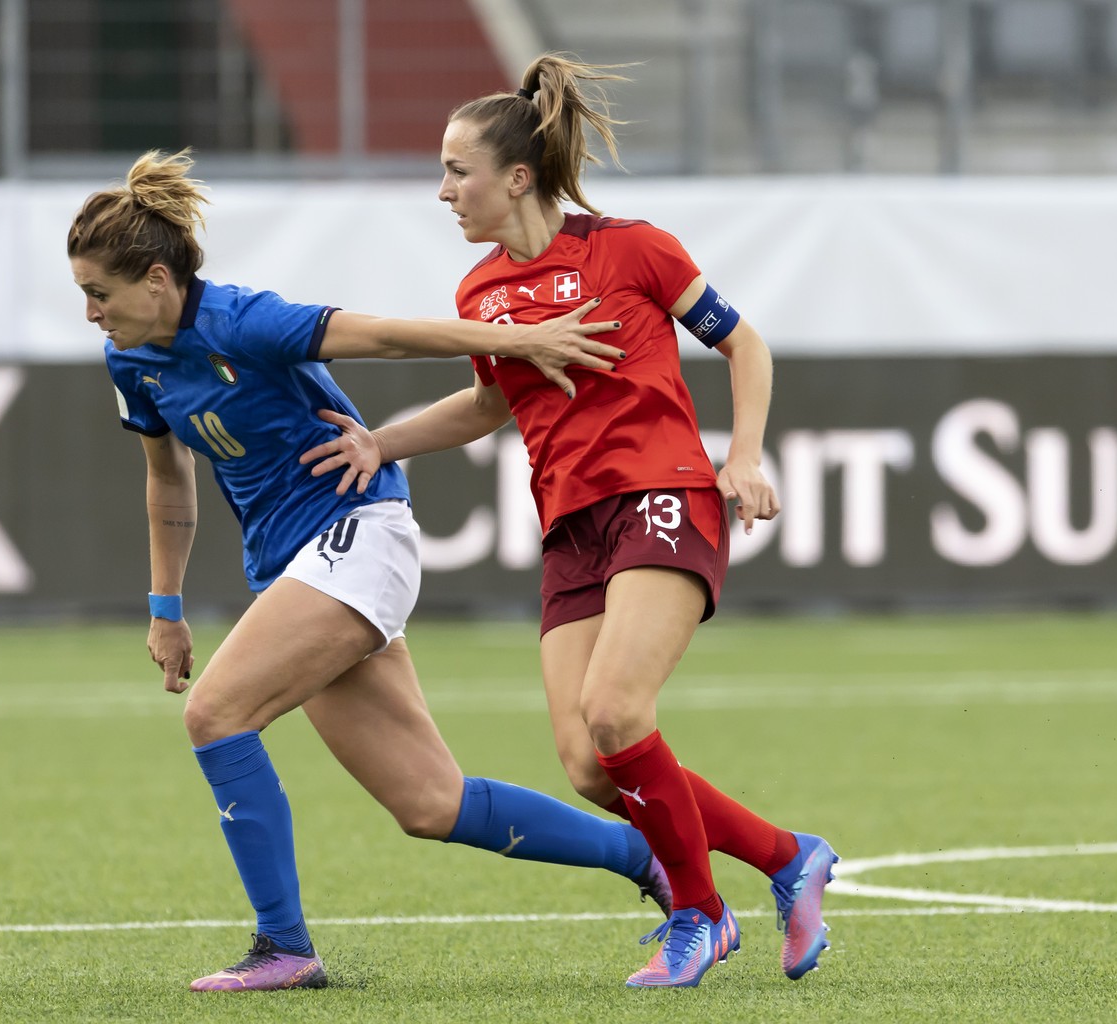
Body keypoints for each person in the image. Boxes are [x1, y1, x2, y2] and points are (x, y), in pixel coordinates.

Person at [67, 148, 677, 993]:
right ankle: (649, 857)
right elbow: (167, 478)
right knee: (431, 804)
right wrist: (164, 605)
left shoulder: (244, 321)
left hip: (358, 533)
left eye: (99, 293)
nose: (91, 312)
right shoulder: (132, 360)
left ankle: (284, 947)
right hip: (294, 565)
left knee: (216, 714)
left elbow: (386, 336)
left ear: (159, 280)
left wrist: (520, 338)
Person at [301, 54, 839, 989]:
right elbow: (485, 407)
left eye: (455, 171)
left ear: (516, 177)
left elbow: (742, 341)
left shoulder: (633, 248)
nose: (443, 192)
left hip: (662, 497)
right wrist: (381, 444)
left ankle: (701, 915)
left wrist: (742, 456)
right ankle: (789, 858)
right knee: (593, 766)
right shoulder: (479, 294)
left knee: (618, 712)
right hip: (570, 528)